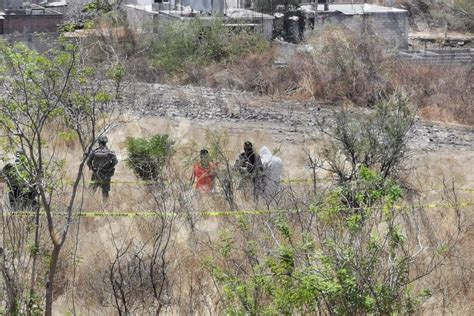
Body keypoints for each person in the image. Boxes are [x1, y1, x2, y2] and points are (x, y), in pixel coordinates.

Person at [87, 135, 118, 201]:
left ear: (99, 142)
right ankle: (105, 209)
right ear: (106, 142)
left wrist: (92, 168)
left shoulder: (94, 151)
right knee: (105, 193)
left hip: (95, 174)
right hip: (106, 175)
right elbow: (115, 162)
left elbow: (88, 162)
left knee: (91, 192)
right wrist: (110, 168)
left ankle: (87, 205)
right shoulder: (110, 152)